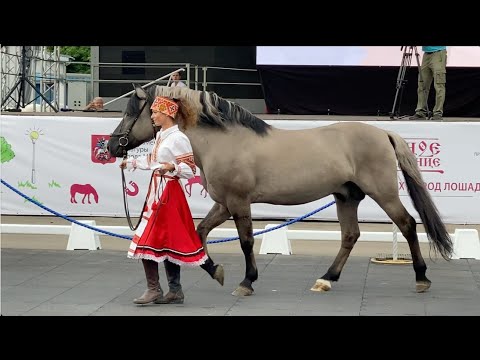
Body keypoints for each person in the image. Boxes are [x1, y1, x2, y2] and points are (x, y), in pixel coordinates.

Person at [119, 96, 207, 305]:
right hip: (158, 190)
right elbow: (153, 160)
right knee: (165, 242)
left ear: (168, 114)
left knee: (147, 238)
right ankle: (174, 290)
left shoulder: (178, 138)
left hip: (168, 192)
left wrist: (172, 167)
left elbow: (190, 169)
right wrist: (132, 162)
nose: (152, 116)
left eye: (155, 112)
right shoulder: (162, 136)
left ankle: (154, 289)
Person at [409, 46, 447, 120]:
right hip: (426, 54)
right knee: (422, 84)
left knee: (439, 84)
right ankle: (420, 112)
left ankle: (437, 113)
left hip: (438, 52)